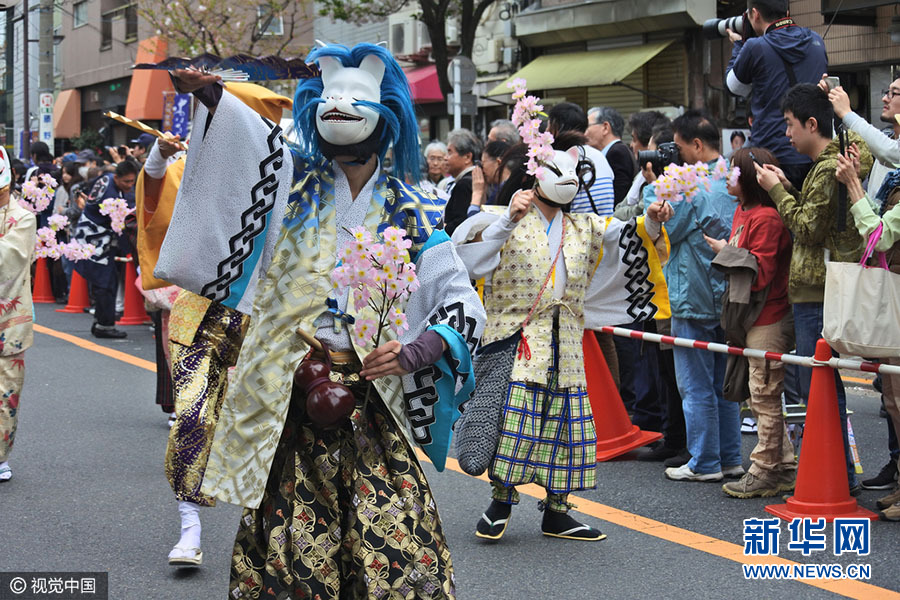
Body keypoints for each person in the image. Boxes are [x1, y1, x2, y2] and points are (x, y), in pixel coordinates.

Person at [166, 43, 486, 597]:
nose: (340, 107)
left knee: (397, 548)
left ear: (387, 112)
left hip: (372, 404)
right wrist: (212, 95)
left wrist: (419, 349)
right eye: (329, 96)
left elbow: (460, 300)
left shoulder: (414, 209)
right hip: (293, 395)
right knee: (294, 551)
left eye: (356, 98)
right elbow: (249, 145)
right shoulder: (290, 186)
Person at [452, 131, 672, 542]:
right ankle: (501, 502)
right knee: (517, 420)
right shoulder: (506, 216)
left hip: (566, 338)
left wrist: (654, 220)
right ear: (535, 178)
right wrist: (505, 220)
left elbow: (628, 234)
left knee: (567, 425)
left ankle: (558, 510)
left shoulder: (586, 226)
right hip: (520, 337)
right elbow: (470, 261)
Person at [756, 82, 873, 494]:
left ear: (811, 123)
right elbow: (812, 216)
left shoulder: (828, 166)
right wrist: (788, 188)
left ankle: (835, 477)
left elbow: (806, 228)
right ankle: (836, 474)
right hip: (819, 288)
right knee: (819, 386)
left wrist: (774, 192)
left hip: (819, 291)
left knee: (820, 388)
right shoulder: (830, 163)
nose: (786, 134)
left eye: (790, 125)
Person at [643, 109, 743, 483]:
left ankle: (704, 461)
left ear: (697, 145)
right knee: (724, 383)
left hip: (694, 292)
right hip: (729, 294)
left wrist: (656, 186)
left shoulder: (691, 183)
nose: (675, 156)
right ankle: (730, 457)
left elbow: (666, 224)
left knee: (695, 383)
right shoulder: (731, 178)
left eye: (679, 148)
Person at [703, 147, 796, 498]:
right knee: (760, 397)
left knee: (764, 395)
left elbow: (760, 274)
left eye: (734, 172)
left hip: (768, 316)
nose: (729, 177)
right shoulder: (744, 210)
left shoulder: (767, 218)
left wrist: (724, 252)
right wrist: (728, 249)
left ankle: (763, 471)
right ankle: (784, 466)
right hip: (751, 316)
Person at [835, 148, 900, 518]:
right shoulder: (891, 176)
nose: (887, 99)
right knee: (892, 399)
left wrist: (854, 186)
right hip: (893, 300)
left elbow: (879, 235)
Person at [725, 0, 827, 190]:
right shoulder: (816, 41)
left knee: (772, 217)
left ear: (755, 14)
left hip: (771, 156)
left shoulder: (755, 47)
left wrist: (739, 45)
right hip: (814, 153)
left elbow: (733, 86)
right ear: (787, 11)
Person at [0, 146, 36, 483]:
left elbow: (8, 259)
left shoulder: (22, 218)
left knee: (6, 391)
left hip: (9, 322)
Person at [71, 159, 139, 339]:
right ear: (117, 177)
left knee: (104, 282)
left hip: (89, 234)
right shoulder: (111, 197)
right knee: (105, 283)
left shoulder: (106, 178)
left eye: (132, 181)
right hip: (96, 240)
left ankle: (100, 321)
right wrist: (130, 250)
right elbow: (120, 227)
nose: (130, 185)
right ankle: (105, 325)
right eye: (126, 181)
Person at [823, 75, 900, 204]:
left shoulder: (887, 149)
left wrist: (847, 113)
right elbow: (835, 149)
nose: (884, 99)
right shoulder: (885, 138)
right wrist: (827, 107)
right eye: (887, 92)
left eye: (894, 93)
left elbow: (891, 152)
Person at [548, 102, 615, 216]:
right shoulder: (599, 156)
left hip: (578, 230)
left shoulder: (563, 158)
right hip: (605, 227)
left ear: (557, 129)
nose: (546, 131)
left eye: (549, 126)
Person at [587, 106, 637, 206]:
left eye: (588, 126)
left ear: (605, 127)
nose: (585, 132)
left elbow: (619, 196)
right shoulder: (617, 150)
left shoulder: (617, 153)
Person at [442, 127, 483, 235]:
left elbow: (460, 223)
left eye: (450, 152)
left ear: (467, 157)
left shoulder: (464, 184)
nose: (445, 158)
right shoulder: (474, 179)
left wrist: (443, 228)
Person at [470, 139, 511, 212]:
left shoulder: (506, 190)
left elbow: (478, 222)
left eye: (483, 164)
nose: (482, 170)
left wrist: (477, 193)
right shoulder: (499, 188)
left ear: (498, 162)